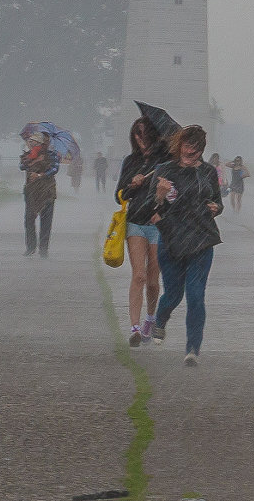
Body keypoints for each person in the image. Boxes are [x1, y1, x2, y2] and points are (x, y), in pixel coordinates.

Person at [148, 125, 223, 365]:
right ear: (179, 145)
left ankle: (192, 349)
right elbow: (149, 210)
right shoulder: (163, 171)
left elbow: (217, 202)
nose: (192, 150)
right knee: (173, 294)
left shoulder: (209, 172)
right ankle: (160, 319)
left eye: (197, 147)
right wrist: (159, 196)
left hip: (202, 239)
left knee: (196, 295)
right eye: (188, 145)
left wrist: (216, 208)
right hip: (171, 241)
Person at [115, 118, 167, 347]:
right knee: (139, 275)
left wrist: (163, 192)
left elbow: (175, 194)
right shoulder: (130, 162)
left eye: (145, 134)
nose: (141, 138)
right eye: (137, 134)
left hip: (158, 223)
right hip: (135, 222)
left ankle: (151, 318)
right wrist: (131, 186)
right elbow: (119, 195)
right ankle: (134, 327)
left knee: (153, 281)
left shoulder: (165, 162)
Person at [19, 131, 60, 257]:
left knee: (46, 221)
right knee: (29, 220)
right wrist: (30, 162)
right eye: (29, 141)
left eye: (33, 141)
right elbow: (21, 166)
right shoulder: (27, 155)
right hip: (31, 192)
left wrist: (40, 175)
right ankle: (30, 247)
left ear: (40, 143)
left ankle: (43, 249)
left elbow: (55, 169)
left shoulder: (51, 155)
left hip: (47, 190)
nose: (30, 143)